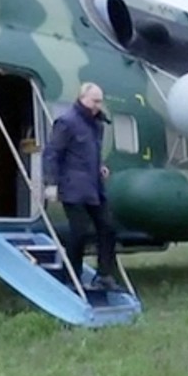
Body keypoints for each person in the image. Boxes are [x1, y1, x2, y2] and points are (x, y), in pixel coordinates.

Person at [42, 82, 121, 291]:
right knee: (80, 231)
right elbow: (52, 153)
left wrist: (100, 165)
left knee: (109, 227)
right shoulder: (67, 122)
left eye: (100, 101)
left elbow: (88, 151)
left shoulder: (97, 124)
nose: (98, 105)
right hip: (73, 187)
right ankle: (71, 276)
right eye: (95, 101)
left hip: (94, 186)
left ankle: (104, 274)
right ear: (82, 98)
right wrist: (51, 184)